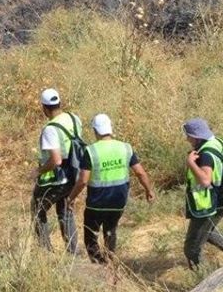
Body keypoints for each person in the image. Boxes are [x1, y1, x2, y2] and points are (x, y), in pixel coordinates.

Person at [68, 113, 154, 263]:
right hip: (118, 202)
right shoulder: (125, 147)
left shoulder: (91, 151)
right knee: (110, 231)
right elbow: (140, 172)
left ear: (95, 131)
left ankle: (99, 265)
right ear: (110, 129)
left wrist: (71, 198)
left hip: (97, 203)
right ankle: (110, 262)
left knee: (91, 236)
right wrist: (149, 190)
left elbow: (82, 181)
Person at [182, 117, 223, 268]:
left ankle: (204, 278)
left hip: (208, 204)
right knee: (208, 233)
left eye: (188, 136)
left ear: (196, 136)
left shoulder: (205, 154)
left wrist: (191, 163)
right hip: (222, 199)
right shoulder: (218, 142)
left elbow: (205, 180)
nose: (187, 139)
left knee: (191, 249)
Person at [31, 88, 82, 253]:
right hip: (75, 173)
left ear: (44, 108)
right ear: (59, 103)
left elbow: (56, 159)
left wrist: (38, 171)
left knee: (38, 207)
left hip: (59, 177)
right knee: (65, 209)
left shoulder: (50, 129)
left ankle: (45, 251)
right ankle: (72, 252)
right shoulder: (73, 118)